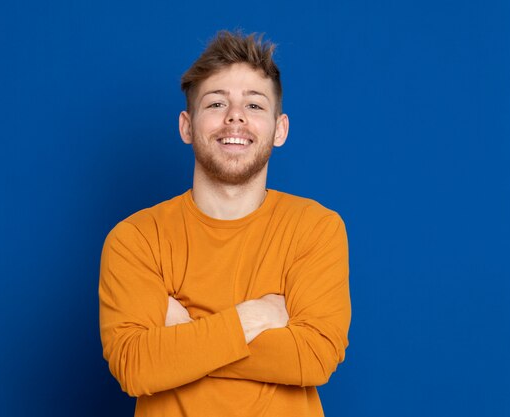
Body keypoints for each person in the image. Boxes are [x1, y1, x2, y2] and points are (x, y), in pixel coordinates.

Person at [99, 30, 351, 417]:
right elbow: (135, 366)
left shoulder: (315, 228)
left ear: (279, 129)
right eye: (216, 103)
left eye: (254, 105)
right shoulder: (135, 239)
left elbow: (313, 358)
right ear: (187, 126)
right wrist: (252, 318)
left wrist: (182, 338)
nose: (235, 117)